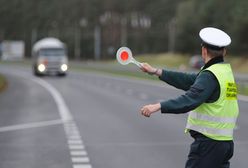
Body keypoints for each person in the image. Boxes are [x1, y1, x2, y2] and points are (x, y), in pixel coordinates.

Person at [139, 27, 239, 168]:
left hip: (209, 145)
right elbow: (189, 80)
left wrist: (158, 106)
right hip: (225, 144)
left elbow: (190, 99)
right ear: (224, 51)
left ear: (203, 50)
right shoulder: (223, 72)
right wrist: (156, 71)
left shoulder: (210, 75)